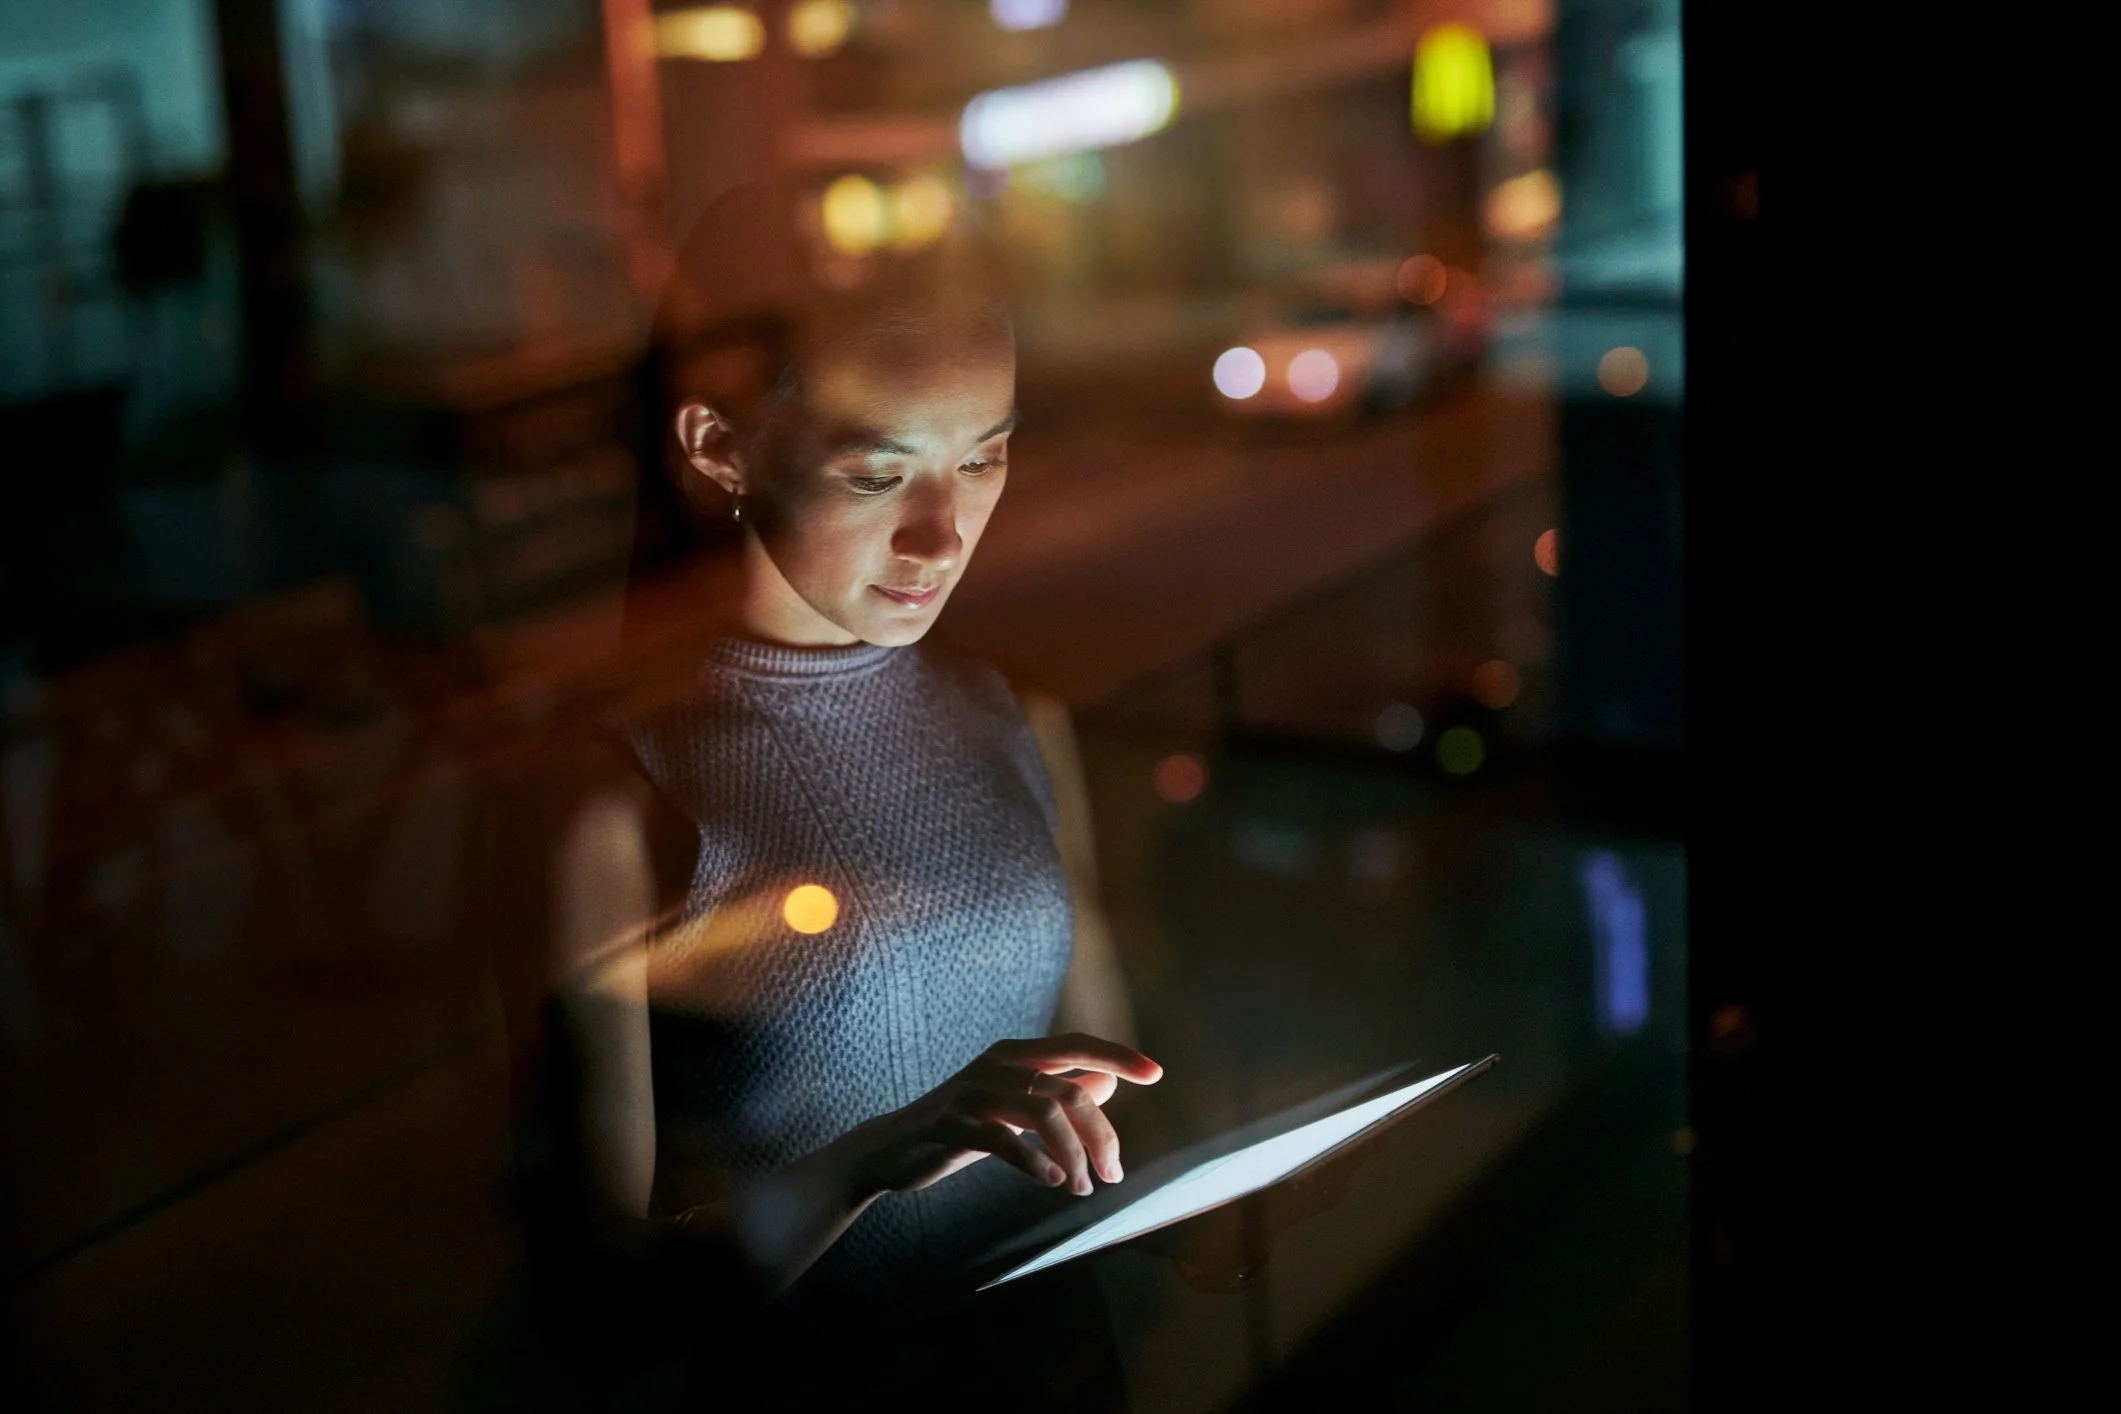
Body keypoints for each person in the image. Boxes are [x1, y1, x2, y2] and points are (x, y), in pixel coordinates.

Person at [489, 182, 1158, 1409]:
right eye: (877, 473)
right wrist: (879, 1157)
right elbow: (607, 1297)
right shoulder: (621, 797)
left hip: (1059, 1373)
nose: (941, 534)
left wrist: (1230, 1196)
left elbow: (1116, 1128)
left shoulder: (1018, 722)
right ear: (716, 448)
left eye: (985, 456)